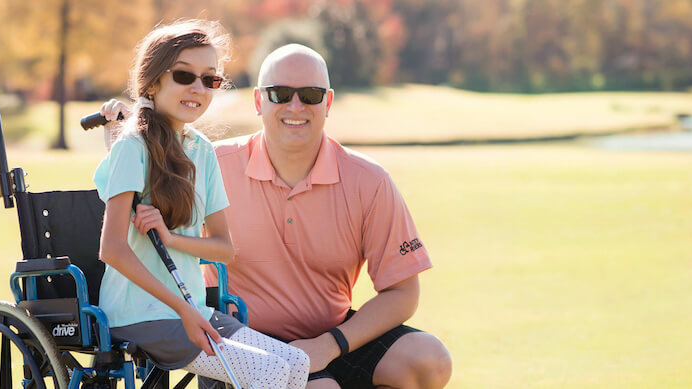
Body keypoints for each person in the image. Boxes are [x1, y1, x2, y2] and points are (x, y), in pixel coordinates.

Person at [102, 44, 452, 389]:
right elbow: (148, 165)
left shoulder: (370, 181)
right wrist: (136, 119)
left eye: (310, 95)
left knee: (429, 359)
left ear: (327, 103)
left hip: (333, 338)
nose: (295, 106)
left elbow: (403, 292)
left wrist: (329, 345)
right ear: (258, 101)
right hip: (241, 337)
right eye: (280, 93)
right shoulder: (208, 161)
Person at [93, 20, 309, 389]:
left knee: (296, 362)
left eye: (209, 80)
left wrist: (170, 237)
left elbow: (224, 248)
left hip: (191, 310)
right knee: (269, 372)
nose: (198, 88)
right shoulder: (133, 147)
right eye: (183, 75)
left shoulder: (203, 152)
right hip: (138, 314)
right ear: (152, 82)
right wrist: (182, 309)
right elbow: (112, 250)